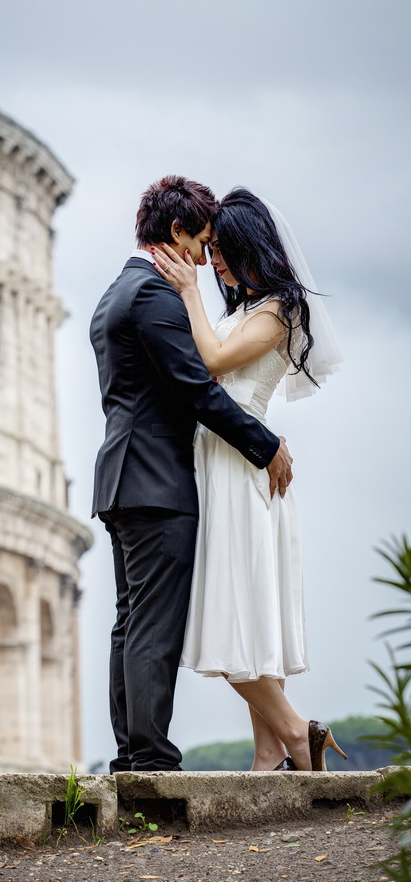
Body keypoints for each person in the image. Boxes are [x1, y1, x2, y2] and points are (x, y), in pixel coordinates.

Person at [89, 176, 293, 773]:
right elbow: (197, 390)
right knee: (153, 627)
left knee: (129, 624)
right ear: (176, 233)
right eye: (203, 243)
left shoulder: (115, 291)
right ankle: (151, 760)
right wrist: (266, 446)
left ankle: (132, 755)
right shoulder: (153, 294)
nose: (206, 259)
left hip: (122, 476)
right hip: (158, 481)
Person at [151, 187, 345, 771]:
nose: (215, 263)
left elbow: (209, 363)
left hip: (238, 465)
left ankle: (293, 731)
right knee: (248, 604)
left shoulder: (282, 310)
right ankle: (270, 754)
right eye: (213, 252)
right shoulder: (246, 310)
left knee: (232, 606)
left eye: (225, 250)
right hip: (224, 456)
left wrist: (187, 293)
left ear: (254, 245)